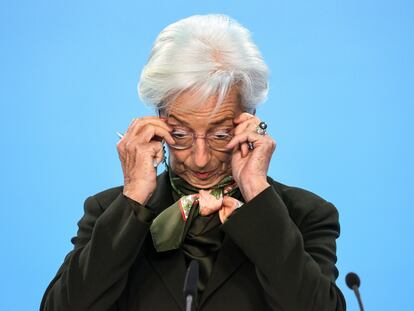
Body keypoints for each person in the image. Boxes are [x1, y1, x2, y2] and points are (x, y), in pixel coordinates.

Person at [40, 14, 346, 311]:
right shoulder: (109, 212)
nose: (200, 159)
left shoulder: (306, 215)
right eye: (181, 134)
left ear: (250, 121)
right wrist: (132, 199)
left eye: (221, 133)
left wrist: (256, 192)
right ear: (157, 122)